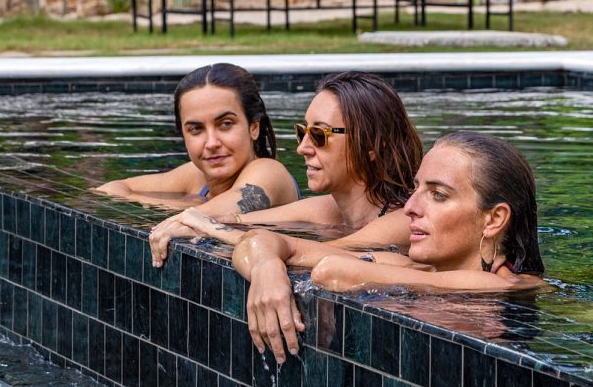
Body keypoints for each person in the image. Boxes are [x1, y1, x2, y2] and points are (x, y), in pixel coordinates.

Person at [179, 132, 546, 363]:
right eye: (417, 189)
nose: (411, 207)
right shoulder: (413, 268)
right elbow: (268, 242)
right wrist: (264, 268)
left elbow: (334, 272)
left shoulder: (503, 287)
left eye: (437, 194)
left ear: (494, 219)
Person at [146, 70, 423, 267]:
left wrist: (212, 229)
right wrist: (191, 222)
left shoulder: (407, 220)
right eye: (303, 132)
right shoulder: (327, 209)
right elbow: (240, 219)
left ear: (372, 145)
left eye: (319, 135)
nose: (303, 148)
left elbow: (311, 252)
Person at [95, 63, 299, 220]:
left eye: (225, 124)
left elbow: (213, 214)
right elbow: (111, 189)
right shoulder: (195, 177)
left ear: (254, 127)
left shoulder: (269, 172)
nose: (211, 143)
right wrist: (181, 204)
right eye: (196, 129)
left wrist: (180, 207)